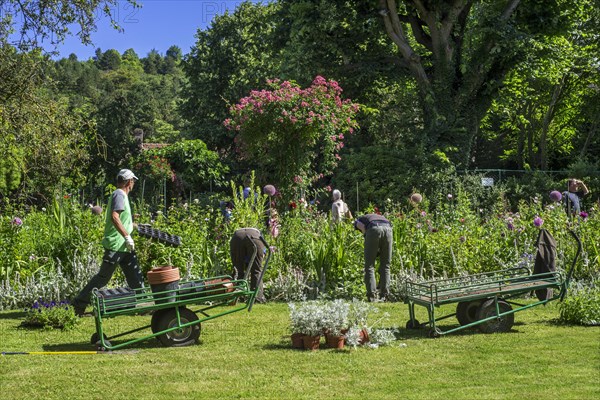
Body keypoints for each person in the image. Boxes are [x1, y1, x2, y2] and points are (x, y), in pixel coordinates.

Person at [72, 169, 144, 316]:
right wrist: (126, 236)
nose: (134, 184)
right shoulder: (119, 194)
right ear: (129, 182)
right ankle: (78, 305)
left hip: (124, 247)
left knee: (135, 277)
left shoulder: (122, 195)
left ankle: (143, 305)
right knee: (102, 278)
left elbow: (122, 219)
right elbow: (114, 217)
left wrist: (135, 227)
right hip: (116, 245)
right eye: (133, 181)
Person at [353, 214, 393, 302]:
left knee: (369, 266)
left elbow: (362, 227)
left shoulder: (358, 221)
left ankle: (372, 296)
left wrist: (366, 237)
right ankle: (384, 295)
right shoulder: (378, 217)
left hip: (374, 229)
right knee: (386, 265)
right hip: (388, 229)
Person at [230, 228, 267, 303]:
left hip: (237, 237)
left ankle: (236, 297)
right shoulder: (259, 235)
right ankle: (257, 298)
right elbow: (262, 254)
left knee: (237, 270)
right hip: (255, 237)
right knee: (256, 271)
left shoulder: (238, 233)